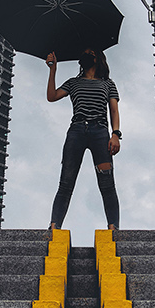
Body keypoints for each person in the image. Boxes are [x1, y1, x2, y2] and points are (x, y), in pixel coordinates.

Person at [45, 46, 121, 231]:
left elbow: (114, 110)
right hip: (77, 131)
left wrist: (116, 134)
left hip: (100, 132)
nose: (86, 55)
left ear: (98, 58)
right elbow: (52, 96)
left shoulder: (108, 84)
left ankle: (113, 228)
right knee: (66, 182)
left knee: (107, 183)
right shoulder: (73, 83)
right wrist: (53, 70)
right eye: (85, 53)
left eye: (91, 53)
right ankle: (54, 227)